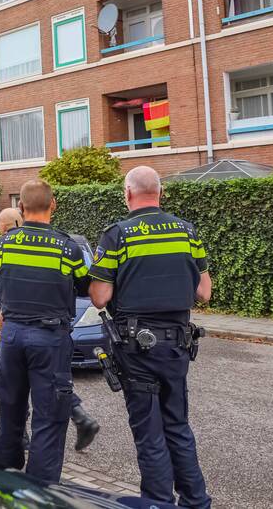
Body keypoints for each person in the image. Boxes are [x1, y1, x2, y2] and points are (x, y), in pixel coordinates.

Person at [89, 166, 212, 508]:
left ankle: (158, 502)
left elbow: (99, 297)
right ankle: (196, 501)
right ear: (160, 193)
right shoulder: (187, 232)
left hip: (136, 347)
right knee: (178, 426)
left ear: (128, 193)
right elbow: (204, 291)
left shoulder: (118, 235)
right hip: (177, 345)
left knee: (149, 431)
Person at [0, 179, 90, 483]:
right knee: (49, 418)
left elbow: (0, 285)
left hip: (11, 336)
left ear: (20, 207)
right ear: (53, 205)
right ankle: (39, 494)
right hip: (49, 340)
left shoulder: (5, 243)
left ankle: (3, 483)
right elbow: (86, 287)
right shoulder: (68, 248)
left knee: (10, 411)